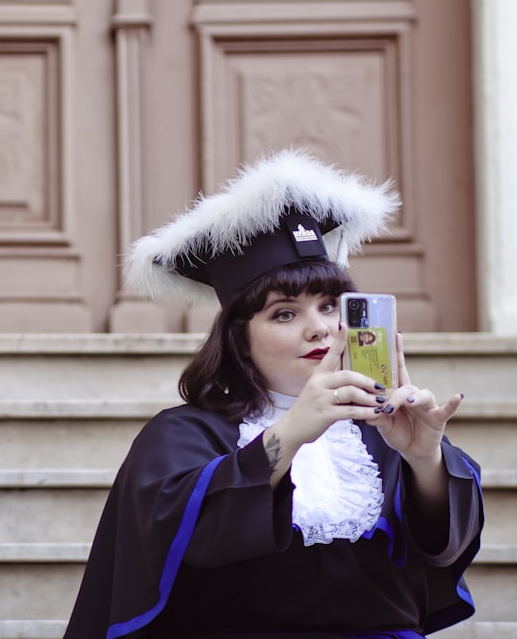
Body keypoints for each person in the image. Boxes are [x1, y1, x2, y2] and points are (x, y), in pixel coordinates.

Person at [65, 150, 483, 639]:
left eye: (330, 306)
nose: (320, 330)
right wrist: (289, 434)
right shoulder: (183, 435)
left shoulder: (385, 428)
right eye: (285, 313)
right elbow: (178, 543)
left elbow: (443, 547)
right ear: (240, 337)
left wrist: (425, 458)